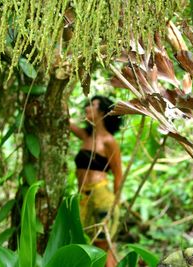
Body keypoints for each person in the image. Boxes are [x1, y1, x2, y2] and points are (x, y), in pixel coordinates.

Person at [69, 95, 122, 267]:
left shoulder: (109, 141)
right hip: (83, 198)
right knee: (86, 244)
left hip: (101, 196)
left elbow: (118, 174)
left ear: (102, 112)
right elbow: (65, 120)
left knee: (102, 247)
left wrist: (116, 205)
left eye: (92, 105)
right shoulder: (86, 136)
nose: (87, 108)